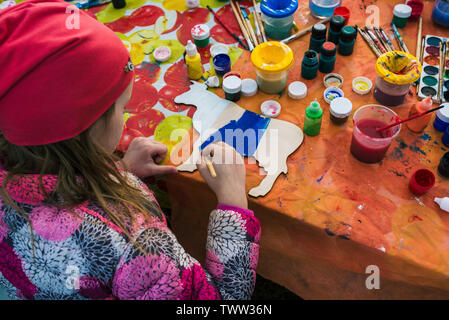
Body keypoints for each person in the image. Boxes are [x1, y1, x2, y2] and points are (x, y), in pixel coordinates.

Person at [0, 0, 260, 300]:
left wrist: (119, 171)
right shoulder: (139, 245)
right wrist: (233, 200)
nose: (126, 117)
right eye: (123, 109)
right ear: (85, 131)